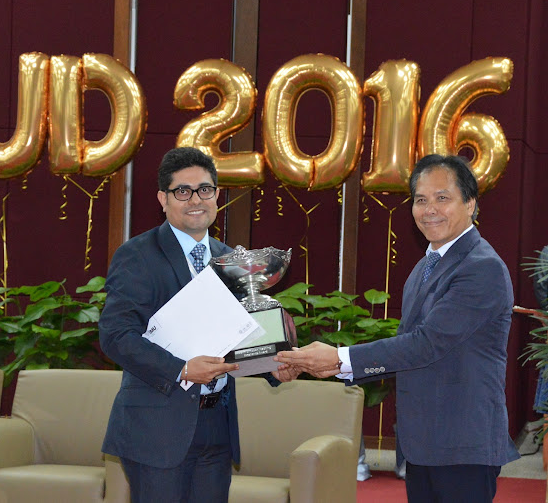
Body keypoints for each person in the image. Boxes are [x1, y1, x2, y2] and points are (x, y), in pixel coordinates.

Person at [275, 154, 520, 502]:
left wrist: (339, 359)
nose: (429, 209)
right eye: (421, 200)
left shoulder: (482, 268)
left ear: (470, 204)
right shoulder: (426, 267)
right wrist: (327, 364)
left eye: (442, 198)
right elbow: (407, 348)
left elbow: (426, 345)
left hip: (461, 445)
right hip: (423, 444)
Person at [99, 147, 297, 503]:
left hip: (216, 427)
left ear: (217, 195)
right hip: (157, 429)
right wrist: (183, 369)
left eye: (204, 189)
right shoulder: (137, 255)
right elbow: (115, 336)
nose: (195, 200)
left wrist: (273, 367)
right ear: (163, 198)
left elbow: (238, 336)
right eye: (182, 191)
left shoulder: (231, 259)